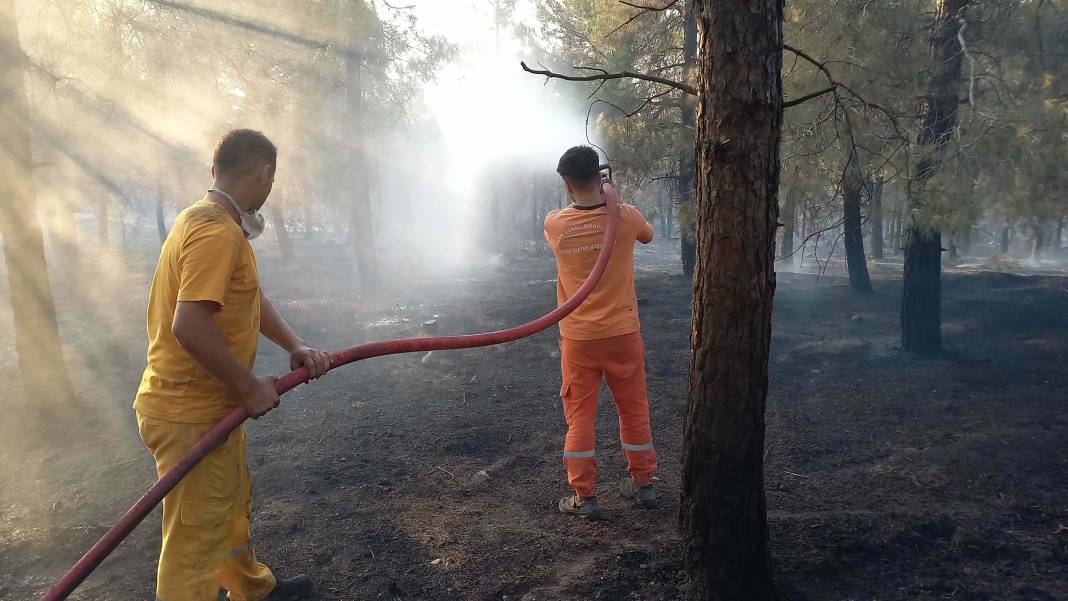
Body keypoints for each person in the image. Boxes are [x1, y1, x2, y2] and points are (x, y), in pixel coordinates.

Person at [133, 129, 330, 601]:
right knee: (194, 542)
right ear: (264, 173)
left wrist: (295, 344)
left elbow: (246, 298)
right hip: (189, 413)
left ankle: (252, 591)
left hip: (206, 406)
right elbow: (190, 326)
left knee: (226, 507)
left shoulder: (209, 223)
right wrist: (248, 386)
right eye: (271, 179)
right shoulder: (215, 232)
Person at [543, 145, 657, 520]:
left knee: (580, 417)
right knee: (633, 408)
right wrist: (613, 196)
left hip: (578, 339)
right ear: (600, 176)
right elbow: (649, 235)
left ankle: (584, 497)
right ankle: (643, 486)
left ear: (566, 183)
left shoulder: (555, 224)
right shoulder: (625, 217)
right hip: (624, 333)